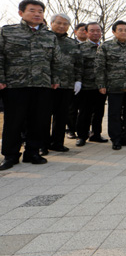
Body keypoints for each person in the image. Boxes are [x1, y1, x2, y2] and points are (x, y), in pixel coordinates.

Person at [0, 0, 61, 170]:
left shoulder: (49, 36)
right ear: (21, 13)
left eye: (40, 11)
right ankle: (10, 155)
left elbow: (56, 61)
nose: (37, 14)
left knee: (39, 120)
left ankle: (32, 152)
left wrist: (55, 79)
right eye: (32, 10)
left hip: (42, 85)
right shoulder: (7, 32)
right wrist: (1, 78)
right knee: (14, 121)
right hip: (15, 84)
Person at [95, 20, 126, 150]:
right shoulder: (106, 47)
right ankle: (116, 139)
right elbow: (100, 67)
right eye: (120, 30)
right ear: (114, 32)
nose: (124, 32)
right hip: (114, 86)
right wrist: (101, 84)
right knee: (114, 114)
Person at [45, 14, 82, 154]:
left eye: (65, 24)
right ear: (52, 23)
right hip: (46, 84)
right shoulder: (45, 39)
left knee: (61, 116)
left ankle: (57, 142)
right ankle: (43, 144)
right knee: (43, 116)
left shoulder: (72, 43)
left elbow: (78, 64)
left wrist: (78, 80)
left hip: (66, 84)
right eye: (59, 23)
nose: (62, 26)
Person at [75, 22, 109, 147]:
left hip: (102, 86)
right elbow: (78, 67)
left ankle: (96, 134)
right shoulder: (80, 48)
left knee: (99, 112)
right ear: (86, 32)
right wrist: (78, 81)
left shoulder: (105, 47)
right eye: (92, 31)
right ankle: (82, 136)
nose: (96, 33)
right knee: (84, 112)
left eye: (98, 31)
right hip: (86, 86)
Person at [66, 23, 88, 139]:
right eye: (81, 30)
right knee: (72, 107)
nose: (84, 32)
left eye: (86, 30)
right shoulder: (71, 44)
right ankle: (71, 129)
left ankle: (83, 130)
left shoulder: (92, 46)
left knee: (85, 108)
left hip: (87, 81)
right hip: (72, 81)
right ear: (75, 32)